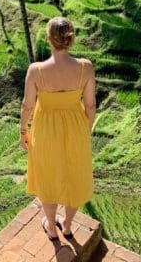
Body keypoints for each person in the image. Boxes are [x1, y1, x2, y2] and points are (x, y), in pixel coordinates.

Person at [20, 16, 96, 241]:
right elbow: (90, 106)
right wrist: (85, 130)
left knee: (48, 175)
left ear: (48, 40)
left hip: (45, 129)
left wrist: (23, 131)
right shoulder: (85, 67)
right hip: (76, 127)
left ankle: (51, 227)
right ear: (71, 40)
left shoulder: (36, 70)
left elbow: (27, 106)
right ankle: (68, 225)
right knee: (75, 174)